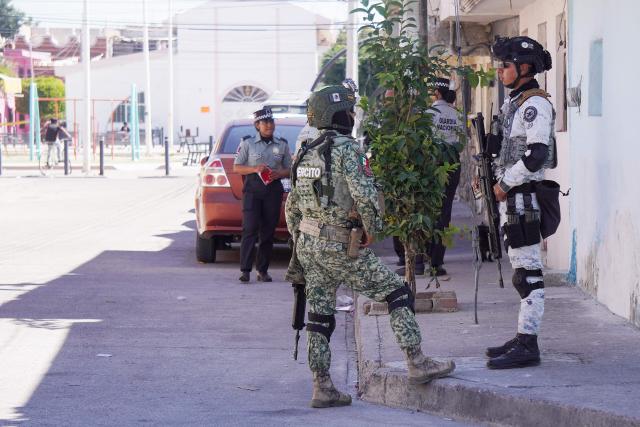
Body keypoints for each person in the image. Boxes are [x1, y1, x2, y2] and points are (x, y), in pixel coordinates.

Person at [285, 84, 455, 408]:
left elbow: (291, 206)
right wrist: (371, 230)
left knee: (319, 314)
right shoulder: (348, 149)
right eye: (349, 110)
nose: (352, 115)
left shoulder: (306, 151)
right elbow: (364, 194)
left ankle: (322, 386)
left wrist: (300, 241)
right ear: (339, 114)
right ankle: (416, 361)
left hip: (309, 244)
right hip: (339, 243)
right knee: (397, 292)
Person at [484, 36, 555, 369]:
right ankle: (523, 335)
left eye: (506, 66)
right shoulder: (513, 103)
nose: (501, 72)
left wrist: (503, 184)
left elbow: (536, 154)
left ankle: (528, 344)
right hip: (511, 200)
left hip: (522, 198)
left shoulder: (535, 105)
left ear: (524, 68)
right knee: (520, 272)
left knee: (528, 275)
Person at [394, 77, 463, 278]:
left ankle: (417, 263)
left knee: (423, 212)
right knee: (444, 213)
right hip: (451, 167)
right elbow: (460, 143)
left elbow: (420, 143)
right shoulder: (457, 115)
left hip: (430, 166)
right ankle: (436, 263)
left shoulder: (427, 114)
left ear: (436, 93)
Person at [233, 107, 292, 283]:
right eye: (265, 122)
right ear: (257, 125)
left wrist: (279, 174)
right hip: (252, 190)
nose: (269, 125)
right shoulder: (247, 143)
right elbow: (237, 167)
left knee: (267, 232)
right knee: (250, 229)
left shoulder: (282, 144)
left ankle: (263, 271)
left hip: (273, 191)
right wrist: (254, 168)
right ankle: (245, 271)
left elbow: (290, 169)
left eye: (271, 121)